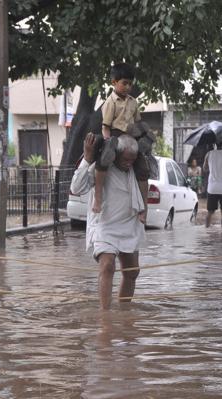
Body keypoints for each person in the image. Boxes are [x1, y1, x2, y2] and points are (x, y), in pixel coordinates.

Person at [70, 132, 146, 310]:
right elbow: (76, 188)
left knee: (132, 272)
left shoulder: (137, 169)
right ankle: (105, 317)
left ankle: (124, 312)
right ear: (116, 155)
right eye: (125, 160)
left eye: (132, 160)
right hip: (105, 226)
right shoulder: (101, 167)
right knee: (107, 266)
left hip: (130, 225)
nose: (129, 164)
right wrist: (87, 158)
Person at [93, 63, 148, 225]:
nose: (128, 87)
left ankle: (144, 207)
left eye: (130, 84)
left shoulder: (133, 102)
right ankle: (97, 199)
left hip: (131, 137)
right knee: (103, 161)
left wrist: (142, 139)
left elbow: (138, 123)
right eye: (124, 83)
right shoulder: (110, 102)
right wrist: (109, 143)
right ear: (114, 82)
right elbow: (105, 127)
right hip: (114, 136)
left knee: (144, 168)